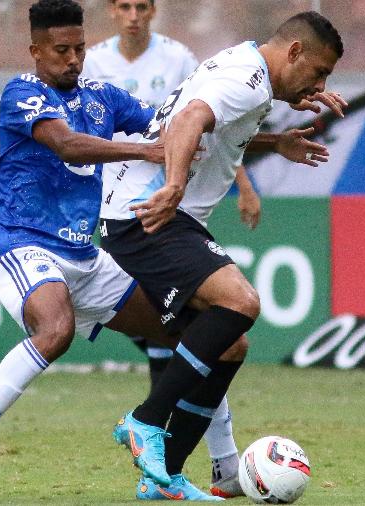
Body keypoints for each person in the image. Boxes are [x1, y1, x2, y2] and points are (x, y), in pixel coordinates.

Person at [0, 0, 226, 502]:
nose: (73, 59)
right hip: (21, 240)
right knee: (56, 330)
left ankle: (216, 468)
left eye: (80, 49)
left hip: (83, 253)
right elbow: (67, 145)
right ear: (36, 51)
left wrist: (272, 138)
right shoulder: (21, 93)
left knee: (199, 336)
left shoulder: (102, 96)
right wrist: (148, 151)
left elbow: (176, 124)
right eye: (61, 50)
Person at [100, 10, 346, 491]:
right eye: (318, 72)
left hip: (153, 214)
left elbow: (220, 131)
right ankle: (145, 421)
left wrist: (276, 143)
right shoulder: (248, 81)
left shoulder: (248, 68)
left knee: (231, 345)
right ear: (294, 52)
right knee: (241, 302)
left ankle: (163, 476)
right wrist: (173, 184)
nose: (318, 85)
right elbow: (191, 118)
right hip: (148, 214)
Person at [82, 1, 256, 497]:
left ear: (154, 10)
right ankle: (164, 437)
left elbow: (215, 127)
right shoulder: (92, 62)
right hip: (127, 212)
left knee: (208, 338)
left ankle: (203, 461)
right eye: (124, 5)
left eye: (142, 5)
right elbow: (79, 137)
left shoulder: (179, 59)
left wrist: (243, 182)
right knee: (201, 335)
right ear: (112, 12)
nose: (134, 14)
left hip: (164, 207)